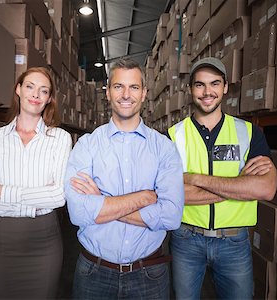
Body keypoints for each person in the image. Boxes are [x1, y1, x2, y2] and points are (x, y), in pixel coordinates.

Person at [65, 59, 184, 299]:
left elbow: (171, 215)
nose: (126, 94)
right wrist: (144, 198)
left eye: (134, 87)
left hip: (149, 274)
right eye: (118, 86)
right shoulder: (87, 146)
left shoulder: (164, 148)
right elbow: (78, 213)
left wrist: (103, 201)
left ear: (144, 94)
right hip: (94, 274)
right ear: (108, 92)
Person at [168, 57, 277, 299]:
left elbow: (266, 189)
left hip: (234, 242)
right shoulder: (173, 136)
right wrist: (239, 185)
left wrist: (193, 178)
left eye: (215, 83)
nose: (207, 92)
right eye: (200, 85)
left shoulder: (249, 133)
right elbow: (168, 193)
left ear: (225, 87)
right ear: (190, 89)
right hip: (186, 239)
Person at [0, 67, 72, 299]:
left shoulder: (59, 139)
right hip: (5, 241)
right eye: (30, 87)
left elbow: (58, 196)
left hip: (45, 241)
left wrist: (4, 191)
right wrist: (34, 203)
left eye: (43, 91)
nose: (36, 94)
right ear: (18, 89)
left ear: (48, 99)